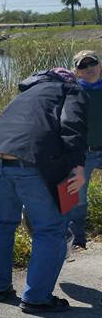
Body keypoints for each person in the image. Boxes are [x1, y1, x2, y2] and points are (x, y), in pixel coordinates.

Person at [0, 67, 87, 314]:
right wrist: (78, 167)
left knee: (0, 222)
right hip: (28, 163)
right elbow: (71, 126)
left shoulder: (25, 94)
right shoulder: (71, 89)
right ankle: (37, 298)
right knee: (50, 229)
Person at [67, 50, 102, 249]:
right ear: (77, 72)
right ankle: (77, 239)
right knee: (78, 198)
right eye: (83, 66)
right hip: (84, 153)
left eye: (92, 63)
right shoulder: (72, 92)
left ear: (100, 66)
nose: (89, 68)